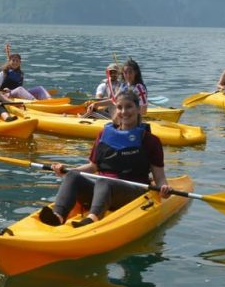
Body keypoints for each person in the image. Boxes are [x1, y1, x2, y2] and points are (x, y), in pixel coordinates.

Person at [39, 90, 172, 227]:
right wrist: (66, 171)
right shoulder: (104, 134)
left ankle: (92, 219)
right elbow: (92, 167)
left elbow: (160, 178)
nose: (124, 111)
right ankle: (58, 217)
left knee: (104, 182)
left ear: (138, 109)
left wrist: (165, 190)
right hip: (101, 190)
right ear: (115, 110)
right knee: (73, 176)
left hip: (132, 193)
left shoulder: (150, 141)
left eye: (129, 106)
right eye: (120, 107)